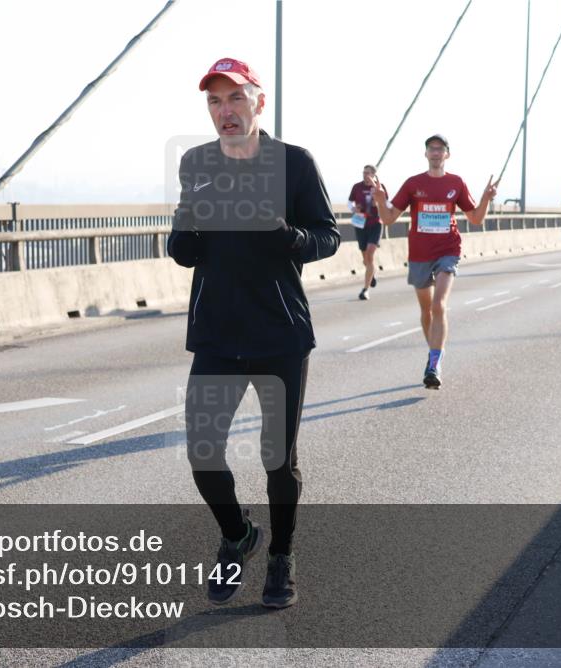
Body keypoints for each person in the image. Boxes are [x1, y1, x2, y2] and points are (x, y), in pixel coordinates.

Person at [167, 57, 339, 609]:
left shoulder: (293, 163)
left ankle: (281, 559)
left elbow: (327, 237)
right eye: (215, 102)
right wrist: (183, 235)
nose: (225, 111)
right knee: (202, 452)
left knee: (276, 459)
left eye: (235, 99)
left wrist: (287, 237)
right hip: (217, 333)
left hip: (279, 335)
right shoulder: (196, 163)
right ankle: (238, 534)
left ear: (258, 102)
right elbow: (187, 245)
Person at [371, 134, 498, 389]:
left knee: (439, 305)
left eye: (440, 149)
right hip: (419, 253)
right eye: (432, 149)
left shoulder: (456, 183)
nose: (436, 153)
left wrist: (486, 199)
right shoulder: (413, 183)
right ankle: (433, 351)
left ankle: (434, 364)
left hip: (447, 250)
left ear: (447, 154)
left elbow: (475, 219)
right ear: (426, 154)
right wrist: (379, 200)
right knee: (426, 310)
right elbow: (388, 219)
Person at [348, 165, 387, 300]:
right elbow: (350, 202)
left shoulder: (379, 187)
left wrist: (376, 195)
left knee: (370, 254)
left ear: (374, 175)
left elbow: (385, 204)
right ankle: (371, 275)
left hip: (375, 223)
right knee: (365, 258)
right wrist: (354, 209)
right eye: (364, 173)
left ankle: (365, 289)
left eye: (368, 173)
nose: (365, 175)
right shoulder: (357, 187)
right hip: (360, 224)